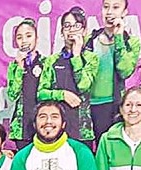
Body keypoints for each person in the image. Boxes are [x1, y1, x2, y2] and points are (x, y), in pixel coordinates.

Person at [37, 6, 99, 145]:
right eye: (67, 26)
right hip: (56, 129)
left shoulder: (91, 58)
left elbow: (84, 86)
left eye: (76, 26)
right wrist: (62, 95)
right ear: (62, 32)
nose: (71, 30)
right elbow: (41, 93)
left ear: (84, 31)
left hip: (82, 130)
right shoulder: (52, 60)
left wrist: (76, 55)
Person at [84, 0, 141, 144]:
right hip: (86, 107)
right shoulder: (89, 40)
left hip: (113, 106)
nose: (109, 12)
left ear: (124, 12)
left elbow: (125, 71)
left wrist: (119, 38)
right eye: (106, 7)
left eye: (115, 7)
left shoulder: (131, 42)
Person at [6, 18, 44, 150]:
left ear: (36, 38)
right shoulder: (13, 66)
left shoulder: (46, 62)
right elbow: (12, 94)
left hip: (42, 123)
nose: (24, 41)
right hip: (21, 126)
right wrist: (20, 67)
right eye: (19, 37)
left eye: (28, 35)